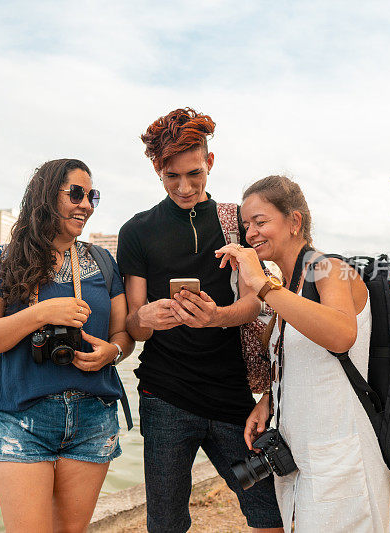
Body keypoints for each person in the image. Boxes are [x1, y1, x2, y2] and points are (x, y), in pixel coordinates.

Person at [116, 108, 283, 533]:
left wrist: (216, 317)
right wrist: (148, 316)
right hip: (164, 396)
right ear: (157, 170)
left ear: (210, 162)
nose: (185, 187)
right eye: (171, 176)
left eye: (194, 173)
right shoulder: (136, 231)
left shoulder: (235, 223)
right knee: (166, 523)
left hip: (232, 396)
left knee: (269, 510)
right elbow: (134, 327)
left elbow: (254, 304)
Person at [216, 175, 390, 532]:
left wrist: (262, 285)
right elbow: (302, 359)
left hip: (342, 458)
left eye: (261, 222)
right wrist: (267, 399)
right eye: (246, 225)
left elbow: (342, 335)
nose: (250, 234)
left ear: (295, 221)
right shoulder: (290, 287)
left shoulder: (330, 268)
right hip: (303, 458)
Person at [0, 158, 134, 533]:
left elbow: (122, 335)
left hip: (93, 416)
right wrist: (42, 313)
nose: (87, 205)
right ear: (46, 196)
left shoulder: (103, 261)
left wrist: (113, 352)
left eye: (92, 196)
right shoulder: (3, 259)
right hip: (20, 416)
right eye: (75, 193)